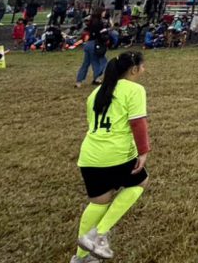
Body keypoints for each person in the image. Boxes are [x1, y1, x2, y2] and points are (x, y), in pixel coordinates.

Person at [73, 51, 151, 262]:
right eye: (143, 66)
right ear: (134, 69)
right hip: (116, 154)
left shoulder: (96, 93)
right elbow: (138, 123)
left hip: (90, 157)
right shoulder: (135, 89)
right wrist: (143, 151)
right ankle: (99, 234)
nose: (144, 70)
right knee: (140, 182)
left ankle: (80, 258)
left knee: (99, 202)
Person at [76, 10, 110, 88]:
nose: (104, 13)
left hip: (88, 44)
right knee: (100, 62)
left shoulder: (91, 22)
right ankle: (97, 77)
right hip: (95, 44)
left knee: (85, 63)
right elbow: (101, 34)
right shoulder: (100, 23)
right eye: (103, 12)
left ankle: (79, 81)